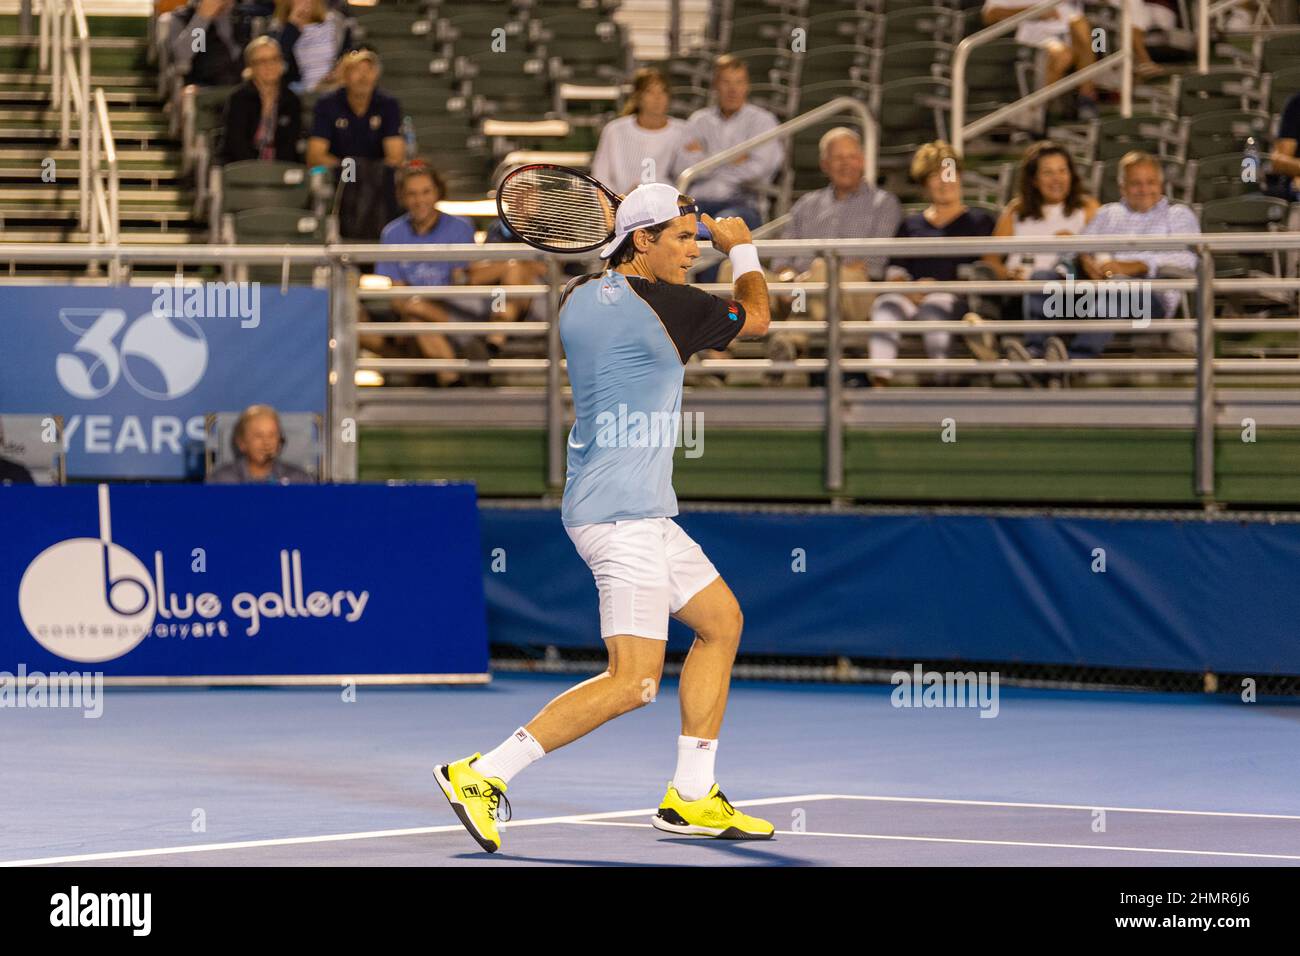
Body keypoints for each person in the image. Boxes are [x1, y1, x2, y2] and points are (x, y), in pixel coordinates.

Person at [435, 183, 775, 853]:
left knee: (721, 622)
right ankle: (482, 773)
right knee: (634, 681)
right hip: (621, 519)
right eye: (682, 239)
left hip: (631, 509)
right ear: (641, 240)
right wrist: (744, 250)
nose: (694, 252)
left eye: (699, 240)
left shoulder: (577, 300)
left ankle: (692, 796)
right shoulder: (670, 307)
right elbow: (760, 317)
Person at [756, 127, 901, 386]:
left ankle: (790, 342)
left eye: (852, 156)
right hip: (797, 289)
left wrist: (810, 277)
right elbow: (782, 256)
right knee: (731, 271)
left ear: (863, 160)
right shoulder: (806, 204)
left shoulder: (884, 203)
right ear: (825, 165)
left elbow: (874, 263)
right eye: (837, 158)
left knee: (824, 269)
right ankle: (713, 362)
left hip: (854, 291)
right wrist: (789, 276)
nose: (846, 164)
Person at [868, 142, 996, 386]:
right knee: (885, 306)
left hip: (956, 298)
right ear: (925, 184)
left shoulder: (980, 222)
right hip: (911, 295)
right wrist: (908, 289)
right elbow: (896, 267)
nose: (944, 181)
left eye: (949, 172)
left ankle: (941, 382)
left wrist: (940, 286)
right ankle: (879, 383)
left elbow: (986, 269)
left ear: (960, 176)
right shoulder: (911, 225)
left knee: (934, 310)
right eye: (935, 175)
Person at [1062, 151, 1200, 363]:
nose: (1144, 189)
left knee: (1119, 287)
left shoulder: (1178, 215)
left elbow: (1186, 260)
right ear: (1122, 187)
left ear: (1161, 185)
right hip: (1098, 288)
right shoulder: (1108, 213)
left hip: (1152, 298)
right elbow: (1078, 248)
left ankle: (1075, 360)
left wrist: (1133, 267)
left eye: (1150, 182)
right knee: (1043, 278)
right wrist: (1086, 261)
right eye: (1136, 183)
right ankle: (1037, 352)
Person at [984, 141, 1100, 377]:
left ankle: (1035, 353)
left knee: (1042, 278)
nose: (1057, 179)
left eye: (1062, 171)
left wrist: (1078, 246)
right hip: (1019, 297)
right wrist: (1007, 274)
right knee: (1030, 284)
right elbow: (990, 261)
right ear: (1034, 180)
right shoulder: (1016, 212)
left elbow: (1101, 263)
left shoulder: (1086, 208)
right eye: (1048, 172)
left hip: (1069, 298)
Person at [371, 161, 484, 387]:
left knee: (417, 315)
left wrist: (420, 305)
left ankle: (431, 376)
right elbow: (397, 295)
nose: (419, 200)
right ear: (402, 197)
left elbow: (460, 286)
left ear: (437, 193)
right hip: (412, 314)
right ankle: (451, 382)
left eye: (426, 192)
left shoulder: (460, 227)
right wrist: (413, 307)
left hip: (453, 311)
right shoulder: (392, 233)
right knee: (411, 316)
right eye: (411, 194)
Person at [675, 54, 784, 231]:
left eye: (739, 82)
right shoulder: (699, 120)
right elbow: (682, 166)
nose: (733, 89)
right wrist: (735, 159)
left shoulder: (763, 121)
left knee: (719, 227)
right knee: (668, 228)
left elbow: (758, 171)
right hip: (696, 202)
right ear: (715, 85)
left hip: (743, 202)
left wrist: (706, 160)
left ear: (747, 86)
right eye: (726, 82)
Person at [981, 0, 1099, 119]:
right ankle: (1034, 113)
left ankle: (1086, 98)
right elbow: (989, 14)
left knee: (1080, 25)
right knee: (1062, 55)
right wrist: (1034, 12)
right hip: (1037, 40)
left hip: (1069, 35)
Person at [590, 67, 689, 195]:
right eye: (650, 92)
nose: (657, 98)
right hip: (620, 206)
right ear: (637, 96)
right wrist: (617, 204)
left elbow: (689, 179)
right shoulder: (614, 130)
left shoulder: (683, 130)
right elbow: (600, 176)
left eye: (662, 91)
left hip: (668, 208)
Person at [221, 37, 302, 164]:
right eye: (262, 61)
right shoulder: (239, 99)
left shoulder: (291, 100)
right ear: (251, 67)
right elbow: (236, 144)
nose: (270, 66)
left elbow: (290, 145)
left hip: (280, 170)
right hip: (243, 168)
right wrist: (257, 170)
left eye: (274, 59)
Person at [207, 405, 315, 484]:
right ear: (242, 443)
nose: (267, 443)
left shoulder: (299, 480)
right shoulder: (222, 480)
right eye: (258, 436)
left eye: (272, 435)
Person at [272, 0, 354, 94]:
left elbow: (347, 55)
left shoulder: (336, 23)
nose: (304, 2)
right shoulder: (279, 29)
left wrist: (337, 71)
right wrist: (292, 25)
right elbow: (276, 58)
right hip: (297, 92)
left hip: (332, 89)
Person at [169, 0, 250, 88]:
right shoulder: (183, 18)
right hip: (202, 88)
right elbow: (182, 56)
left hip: (240, 88)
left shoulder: (241, 16)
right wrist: (202, 18)